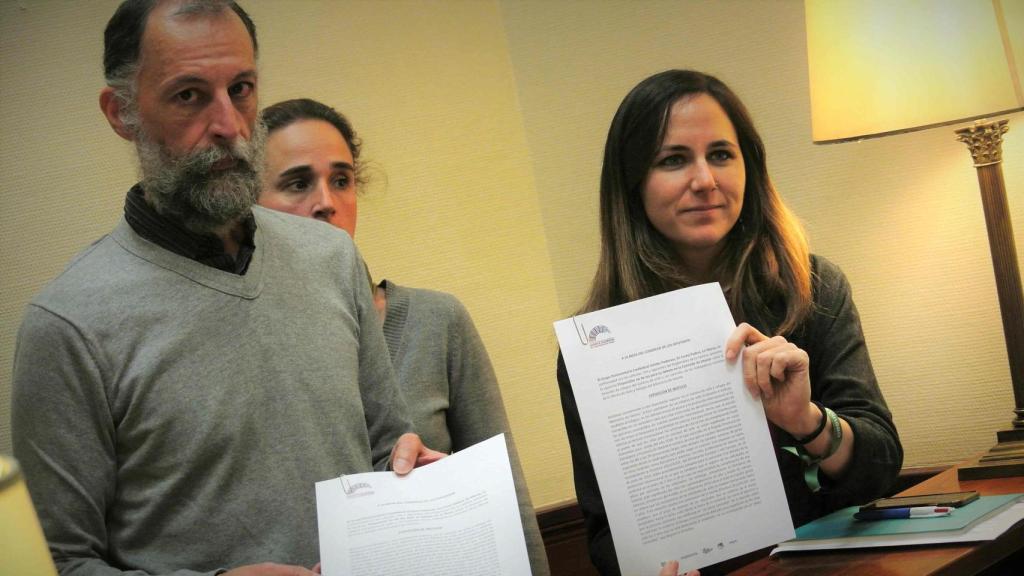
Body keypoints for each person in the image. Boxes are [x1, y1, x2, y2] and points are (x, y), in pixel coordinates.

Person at [11, 2, 441, 575]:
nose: (229, 127)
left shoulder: (331, 257)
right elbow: (57, 564)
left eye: (240, 89)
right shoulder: (67, 326)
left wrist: (414, 473)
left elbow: (389, 445)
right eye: (189, 95)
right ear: (121, 113)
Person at [556, 70, 903, 576]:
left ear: (750, 168)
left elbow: (880, 469)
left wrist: (805, 419)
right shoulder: (592, 349)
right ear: (632, 186)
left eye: (721, 154)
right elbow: (606, 532)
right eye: (673, 160)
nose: (704, 181)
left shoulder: (814, 287)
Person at [257, 97, 551, 576]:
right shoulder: (247, 345)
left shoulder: (437, 320)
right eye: (297, 183)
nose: (326, 203)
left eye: (341, 180)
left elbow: (508, 497)